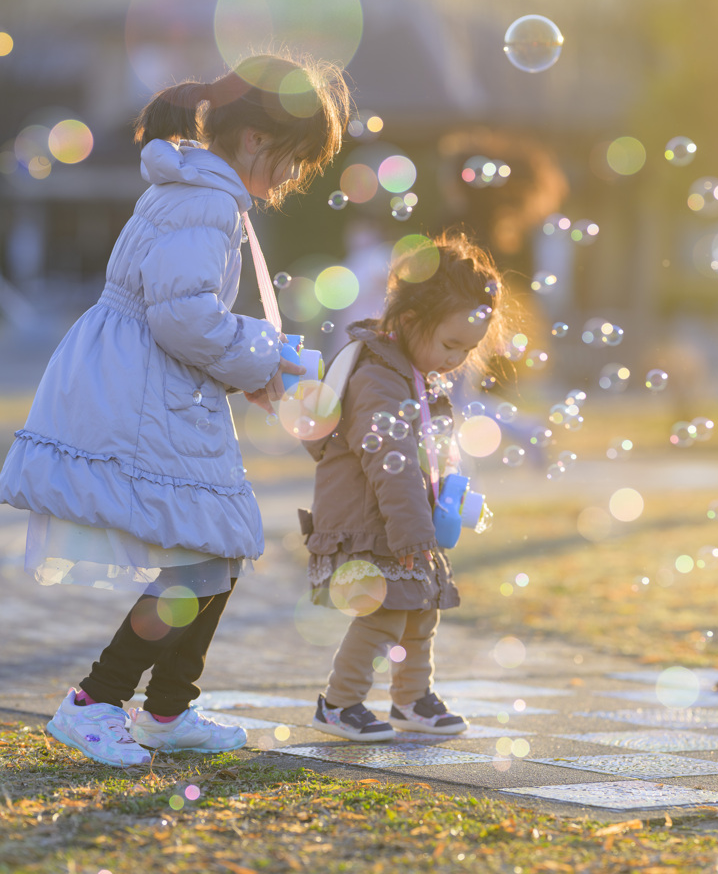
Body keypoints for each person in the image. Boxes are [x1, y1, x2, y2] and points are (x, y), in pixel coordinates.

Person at [0, 51, 351, 766]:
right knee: (205, 555)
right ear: (254, 140)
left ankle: (168, 708)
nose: (293, 178)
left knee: (221, 544)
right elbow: (183, 318)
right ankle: (99, 700)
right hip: (141, 392)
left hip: (152, 383)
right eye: (294, 159)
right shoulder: (208, 200)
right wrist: (264, 352)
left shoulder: (200, 188)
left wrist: (249, 365)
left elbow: (183, 318)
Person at [300, 231, 513, 741]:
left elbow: (426, 455)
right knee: (383, 614)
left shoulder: (412, 374)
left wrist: (451, 500)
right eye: (450, 344)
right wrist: (414, 529)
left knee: (421, 612)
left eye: (468, 350)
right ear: (412, 321)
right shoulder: (378, 377)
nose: (456, 360)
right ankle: (339, 703)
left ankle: (411, 699)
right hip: (377, 524)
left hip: (402, 520)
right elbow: (391, 463)